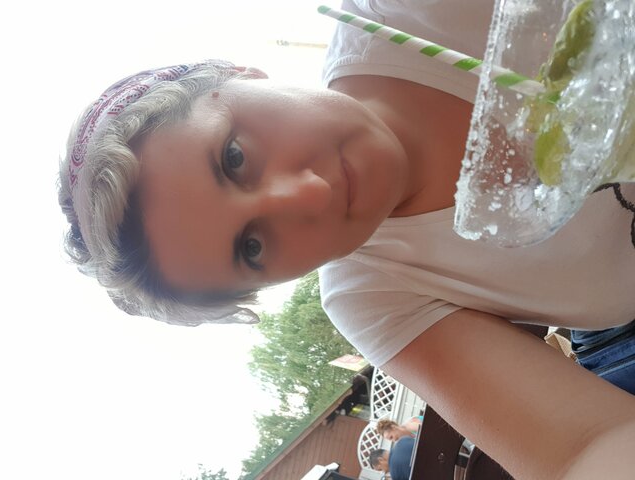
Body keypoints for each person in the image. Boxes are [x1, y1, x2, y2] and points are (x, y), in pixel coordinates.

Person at [57, 1, 635, 478]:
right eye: (252, 248)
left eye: (233, 157)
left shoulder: (403, 14)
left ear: (241, 75)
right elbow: (583, 445)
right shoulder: (369, 295)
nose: (310, 196)